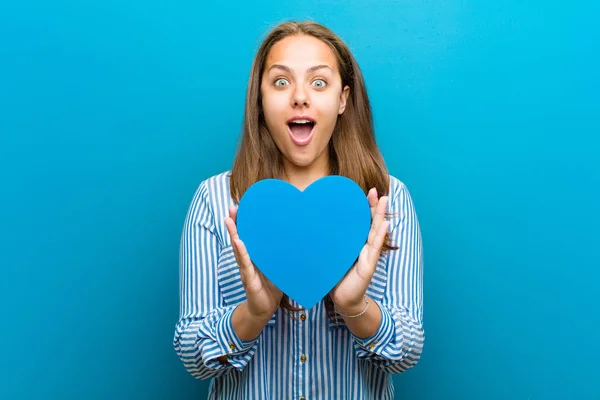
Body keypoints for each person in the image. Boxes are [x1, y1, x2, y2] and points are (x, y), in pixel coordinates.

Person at [173, 20, 424, 399]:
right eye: (281, 81)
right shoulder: (214, 200)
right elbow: (194, 358)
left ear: (343, 99)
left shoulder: (390, 200)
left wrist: (354, 305)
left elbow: (406, 353)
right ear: (259, 101)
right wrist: (254, 313)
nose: (300, 97)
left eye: (319, 82)